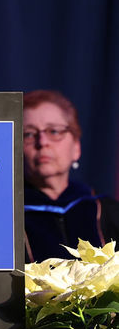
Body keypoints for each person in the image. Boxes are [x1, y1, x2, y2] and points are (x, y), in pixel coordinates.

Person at [23, 89, 119, 262]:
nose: (42, 142)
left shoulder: (108, 212)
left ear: (76, 147)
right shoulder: (6, 219)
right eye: (28, 134)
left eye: (54, 131)